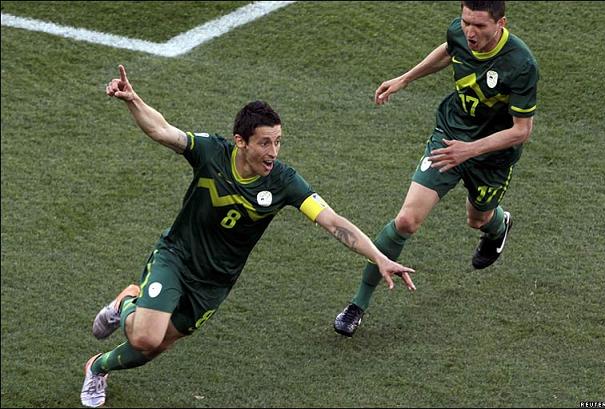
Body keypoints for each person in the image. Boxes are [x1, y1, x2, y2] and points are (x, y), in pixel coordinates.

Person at [80, 64, 416, 407]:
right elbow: (163, 130)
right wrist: (133, 100)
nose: (273, 152)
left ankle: (97, 367)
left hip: (214, 283)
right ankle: (127, 302)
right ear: (241, 141)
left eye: (278, 142)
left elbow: (333, 222)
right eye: (265, 143)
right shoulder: (212, 153)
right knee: (145, 337)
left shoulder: (284, 181)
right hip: (177, 258)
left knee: (157, 345)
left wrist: (378, 256)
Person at [333, 0, 539, 337]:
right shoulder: (460, 33)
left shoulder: (521, 64)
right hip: (450, 136)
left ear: (501, 23)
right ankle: (358, 304)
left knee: (478, 219)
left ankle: (499, 225)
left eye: (480, 26)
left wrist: (469, 151)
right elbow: (448, 50)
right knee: (406, 221)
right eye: (466, 22)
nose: (470, 32)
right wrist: (405, 79)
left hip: (492, 157)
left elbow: (521, 131)